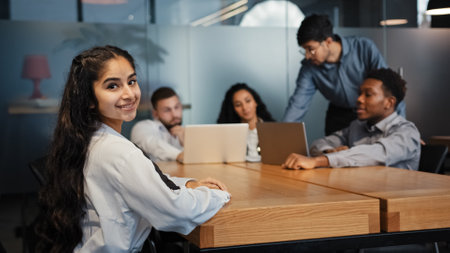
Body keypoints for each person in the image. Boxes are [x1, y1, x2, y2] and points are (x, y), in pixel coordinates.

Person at [36, 45, 230, 252]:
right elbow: (177, 210)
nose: (129, 94)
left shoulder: (91, 140)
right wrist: (219, 194)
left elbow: (143, 182)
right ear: (90, 98)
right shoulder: (118, 152)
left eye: (132, 81)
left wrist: (189, 184)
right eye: (112, 86)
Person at [282, 14, 406, 135]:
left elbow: (389, 89)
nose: (308, 56)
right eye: (304, 50)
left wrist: (402, 130)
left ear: (328, 41)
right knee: (328, 151)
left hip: (368, 113)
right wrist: (280, 136)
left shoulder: (363, 48)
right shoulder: (309, 67)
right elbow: (297, 105)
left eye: (311, 49)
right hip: (338, 117)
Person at [282, 68, 420, 171]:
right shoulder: (357, 126)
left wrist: (321, 161)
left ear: (389, 103)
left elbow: (376, 153)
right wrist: (328, 151)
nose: (359, 99)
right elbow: (319, 143)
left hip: (397, 204)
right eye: (360, 93)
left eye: (368, 95)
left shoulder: (407, 132)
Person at [217, 83, 275, 162]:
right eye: (238, 105)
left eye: (248, 101)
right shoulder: (229, 134)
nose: (244, 107)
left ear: (255, 102)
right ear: (233, 109)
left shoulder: (274, 129)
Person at [131, 87, 184, 162]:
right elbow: (152, 144)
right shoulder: (142, 127)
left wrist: (186, 143)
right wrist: (180, 155)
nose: (174, 114)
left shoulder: (183, 132)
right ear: (155, 114)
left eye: (176, 107)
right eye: (167, 110)